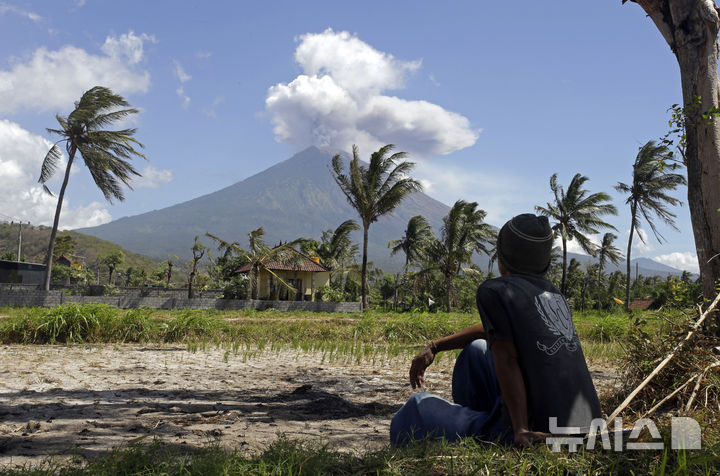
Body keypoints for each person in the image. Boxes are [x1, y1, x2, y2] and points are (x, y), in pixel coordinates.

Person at [390, 213, 602, 448]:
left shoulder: (493, 290)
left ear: (502, 257)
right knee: (476, 350)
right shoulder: (552, 292)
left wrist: (520, 430)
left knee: (414, 410)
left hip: (537, 431)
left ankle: (494, 430)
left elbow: (507, 359)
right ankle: (487, 419)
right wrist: (436, 346)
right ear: (546, 262)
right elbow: (489, 332)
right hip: (583, 425)